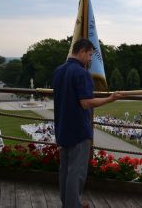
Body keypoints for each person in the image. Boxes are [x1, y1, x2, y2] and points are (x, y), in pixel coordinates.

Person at [52, 38, 123, 208]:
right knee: (76, 172)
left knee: (65, 170)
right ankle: (72, 205)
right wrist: (110, 98)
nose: (91, 58)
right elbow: (86, 102)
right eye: (90, 54)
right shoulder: (82, 73)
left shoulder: (59, 70)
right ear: (82, 51)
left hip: (62, 127)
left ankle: (69, 203)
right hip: (78, 129)